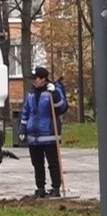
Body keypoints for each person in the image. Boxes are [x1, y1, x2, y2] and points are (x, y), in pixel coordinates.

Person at [20, 66, 67, 198]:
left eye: (36, 78)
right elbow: (26, 112)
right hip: (33, 136)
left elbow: (62, 108)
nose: (34, 81)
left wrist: (55, 95)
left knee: (53, 163)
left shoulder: (53, 90)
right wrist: (22, 129)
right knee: (37, 164)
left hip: (49, 134)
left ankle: (56, 188)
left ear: (43, 79)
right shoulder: (31, 93)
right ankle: (40, 188)